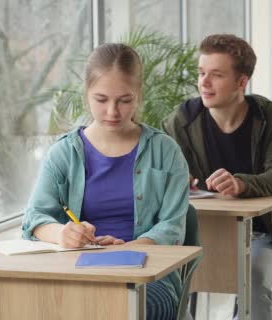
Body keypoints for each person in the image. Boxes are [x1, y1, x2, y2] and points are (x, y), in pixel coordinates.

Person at [22, 43, 190, 320]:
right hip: (75, 268)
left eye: (124, 100)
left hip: (147, 272)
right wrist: (63, 234)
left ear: (138, 95)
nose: (113, 111)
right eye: (101, 99)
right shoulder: (63, 153)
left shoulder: (166, 151)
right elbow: (35, 217)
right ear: (86, 94)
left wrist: (127, 250)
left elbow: (172, 225)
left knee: (130, 308)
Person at [163, 34, 272, 320]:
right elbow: (160, 178)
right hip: (197, 235)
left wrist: (243, 184)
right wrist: (174, 180)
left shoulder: (271, 117)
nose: (204, 83)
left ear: (241, 82)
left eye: (216, 75)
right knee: (166, 281)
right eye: (201, 73)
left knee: (255, 278)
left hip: (261, 233)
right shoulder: (180, 120)